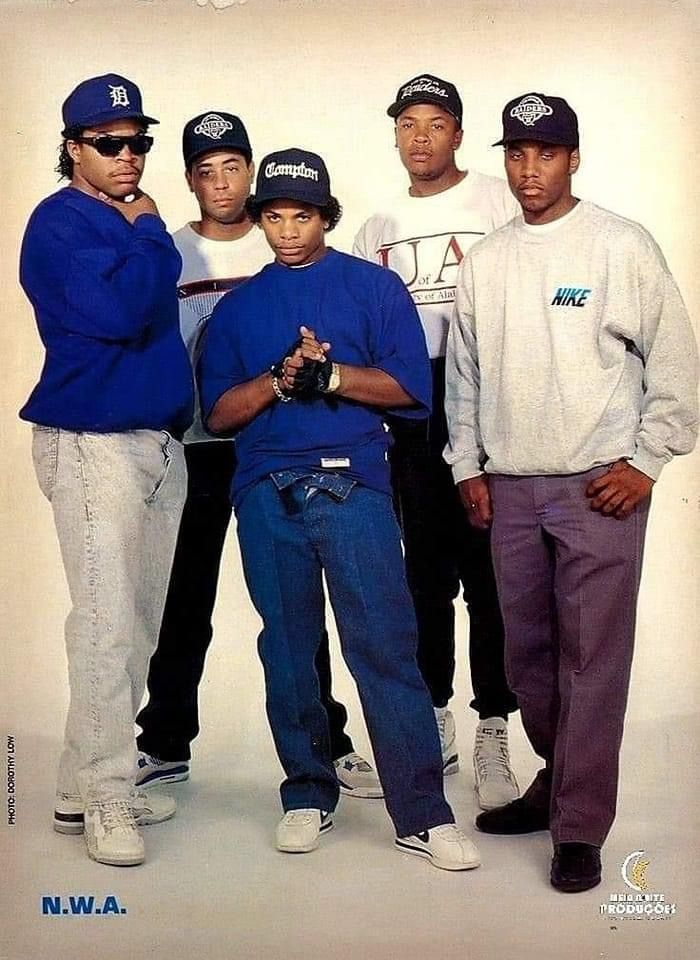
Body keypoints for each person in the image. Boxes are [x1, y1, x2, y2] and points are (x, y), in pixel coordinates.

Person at [444, 92, 698, 891]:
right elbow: (465, 375)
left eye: (545, 153)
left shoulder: (619, 245)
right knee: (528, 660)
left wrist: (648, 462)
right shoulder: (486, 261)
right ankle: (560, 778)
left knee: (592, 660)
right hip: (512, 488)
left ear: (574, 157)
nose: (528, 170)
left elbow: (677, 363)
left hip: (598, 488)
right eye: (516, 153)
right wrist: (468, 467)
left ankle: (581, 828)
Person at [199, 148, 480, 870]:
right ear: (259, 219)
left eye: (302, 215)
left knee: (384, 644)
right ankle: (306, 793)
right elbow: (220, 413)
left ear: (326, 216)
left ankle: (422, 812)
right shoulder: (239, 307)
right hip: (267, 490)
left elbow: (410, 387)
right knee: (288, 651)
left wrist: (332, 373)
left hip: (351, 481)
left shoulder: (374, 288)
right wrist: (278, 380)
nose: (288, 230)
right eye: (274, 216)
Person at [134, 112, 380, 799]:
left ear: (251, 170)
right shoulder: (171, 251)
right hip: (196, 448)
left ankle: (329, 742)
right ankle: (164, 742)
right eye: (205, 171)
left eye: (232, 167)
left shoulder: (283, 244)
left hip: (282, 447)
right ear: (188, 179)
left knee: (302, 598)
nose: (220, 183)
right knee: (185, 600)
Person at [19, 74, 194, 866]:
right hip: (93, 443)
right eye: (110, 145)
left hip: (156, 442)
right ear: (73, 149)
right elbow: (123, 313)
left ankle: (74, 786)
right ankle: (108, 793)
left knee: (134, 626)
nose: (129, 159)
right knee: (105, 621)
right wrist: (151, 230)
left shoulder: (121, 227)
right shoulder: (57, 224)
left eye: (139, 144)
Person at [353, 73, 519, 810]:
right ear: (396, 134)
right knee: (424, 573)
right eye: (407, 124)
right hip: (413, 405)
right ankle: (436, 716)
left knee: (490, 573)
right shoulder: (377, 224)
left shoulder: (496, 197)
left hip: (490, 392)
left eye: (436, 122)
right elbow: (364, 326)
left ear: (458, 131)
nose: (421, 136)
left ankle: (494, 729)